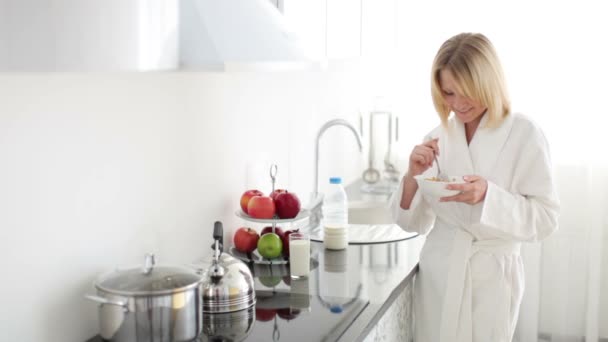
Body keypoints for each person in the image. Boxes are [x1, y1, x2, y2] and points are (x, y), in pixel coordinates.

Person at [389, 33, 560, 342]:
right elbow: (412, 222)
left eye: (468, 92)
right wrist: (413, 175)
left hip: (491, 278)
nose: (458, 104)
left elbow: (546, 219)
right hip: (439, 272)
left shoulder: (525, 134)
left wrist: (489, 197)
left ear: (489, 82)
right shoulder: (438, 137)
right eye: (449, 93)